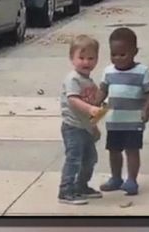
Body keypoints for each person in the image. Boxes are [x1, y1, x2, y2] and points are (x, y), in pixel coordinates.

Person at [95, 27, 149, 196]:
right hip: (114, 120)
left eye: (123, 55)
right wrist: (95, 103)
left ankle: (131, 180)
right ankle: (116, 178)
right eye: (114, 54)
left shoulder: (142, 72)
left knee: (132, 150)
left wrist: (146, 110)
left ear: (134, 52)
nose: (118, 59)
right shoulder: (108, 71)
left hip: (133, 121)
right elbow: (103, 90)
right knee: (114, 150)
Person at [58, 35, 103, 205]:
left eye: (91, 58)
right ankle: (66, 190)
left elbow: (95, 103)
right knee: (74, 158)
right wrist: (90, 108)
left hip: (85, 127)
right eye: (81, 58)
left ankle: (81, 186)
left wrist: (94, 125)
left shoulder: (89, 81)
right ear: (72, 59)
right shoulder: (73, 79)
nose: (86, 62)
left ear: (97, 60)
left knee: (90, 158)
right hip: (72, 127)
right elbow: (73, 100)